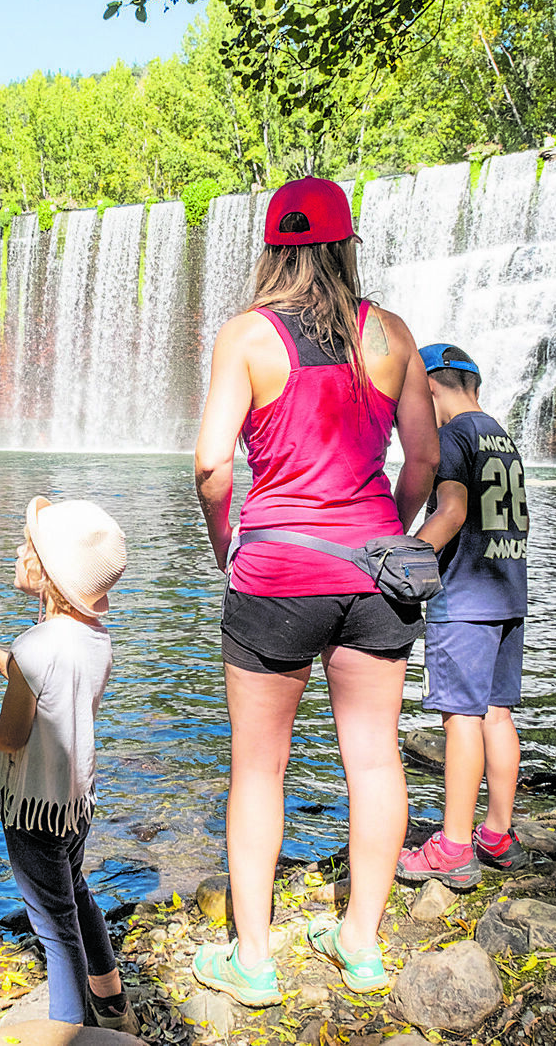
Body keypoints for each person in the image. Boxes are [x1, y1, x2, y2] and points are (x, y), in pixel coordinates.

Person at [191, 177, 439, 1004]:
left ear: (274, 248)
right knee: (373, 758)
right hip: (375, 576)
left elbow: (211, 463)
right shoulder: (393, 335)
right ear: (345, 245)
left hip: (277, 573)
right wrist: (386, 535)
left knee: (258, 769)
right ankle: (361, 948)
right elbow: (427, 463)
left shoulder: (248, 336)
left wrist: (227, 542)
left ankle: (253, 961)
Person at [0, 497, 138, 1034]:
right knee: (75, 891)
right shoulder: (93, 638)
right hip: (75, 802)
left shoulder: (35, 646)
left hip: (32, 813)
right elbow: (48, 683)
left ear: (46, 575)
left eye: (29, 547)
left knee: (53, 926)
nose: (19, 550)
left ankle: (67, 1031)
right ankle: (111, 998)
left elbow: (11, 734)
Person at [396, 345, 531, 890]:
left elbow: (450, 512)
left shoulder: (451, 437)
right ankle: (497, 832)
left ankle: (452, 845)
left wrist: (401, 557)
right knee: (497, 714)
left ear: (430, 386)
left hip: (465, 601)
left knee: (461, 719)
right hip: (508, 595)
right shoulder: (501, 434)